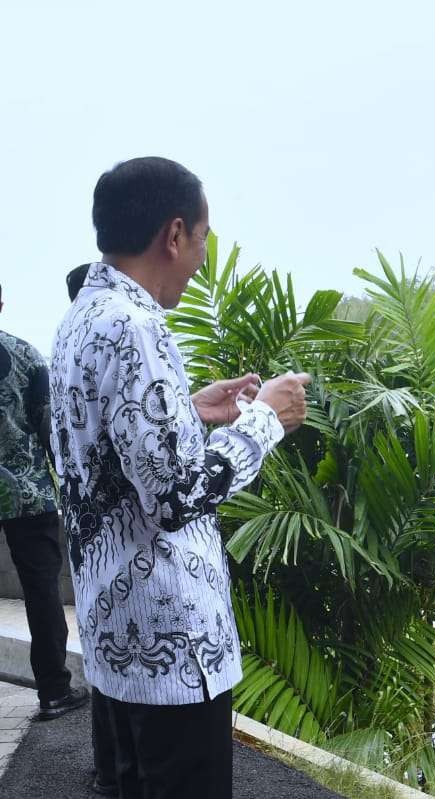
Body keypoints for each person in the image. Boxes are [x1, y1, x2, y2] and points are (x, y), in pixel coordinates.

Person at [50, 157, 311, 799]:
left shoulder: (83, 317)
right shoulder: (139, 328)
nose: (200, 256)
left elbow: (105, 451)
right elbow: (173, 497)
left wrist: (189, 411)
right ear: (174, 235)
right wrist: (265, 422)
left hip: (114, 635)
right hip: (170, 646)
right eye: (201, 238)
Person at [0, 284, 87, 721]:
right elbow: (52, 433)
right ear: (1, 301)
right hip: (28, 498)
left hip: (27, 497)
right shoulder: (26, 357)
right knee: (42, 592)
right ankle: (54, 691)